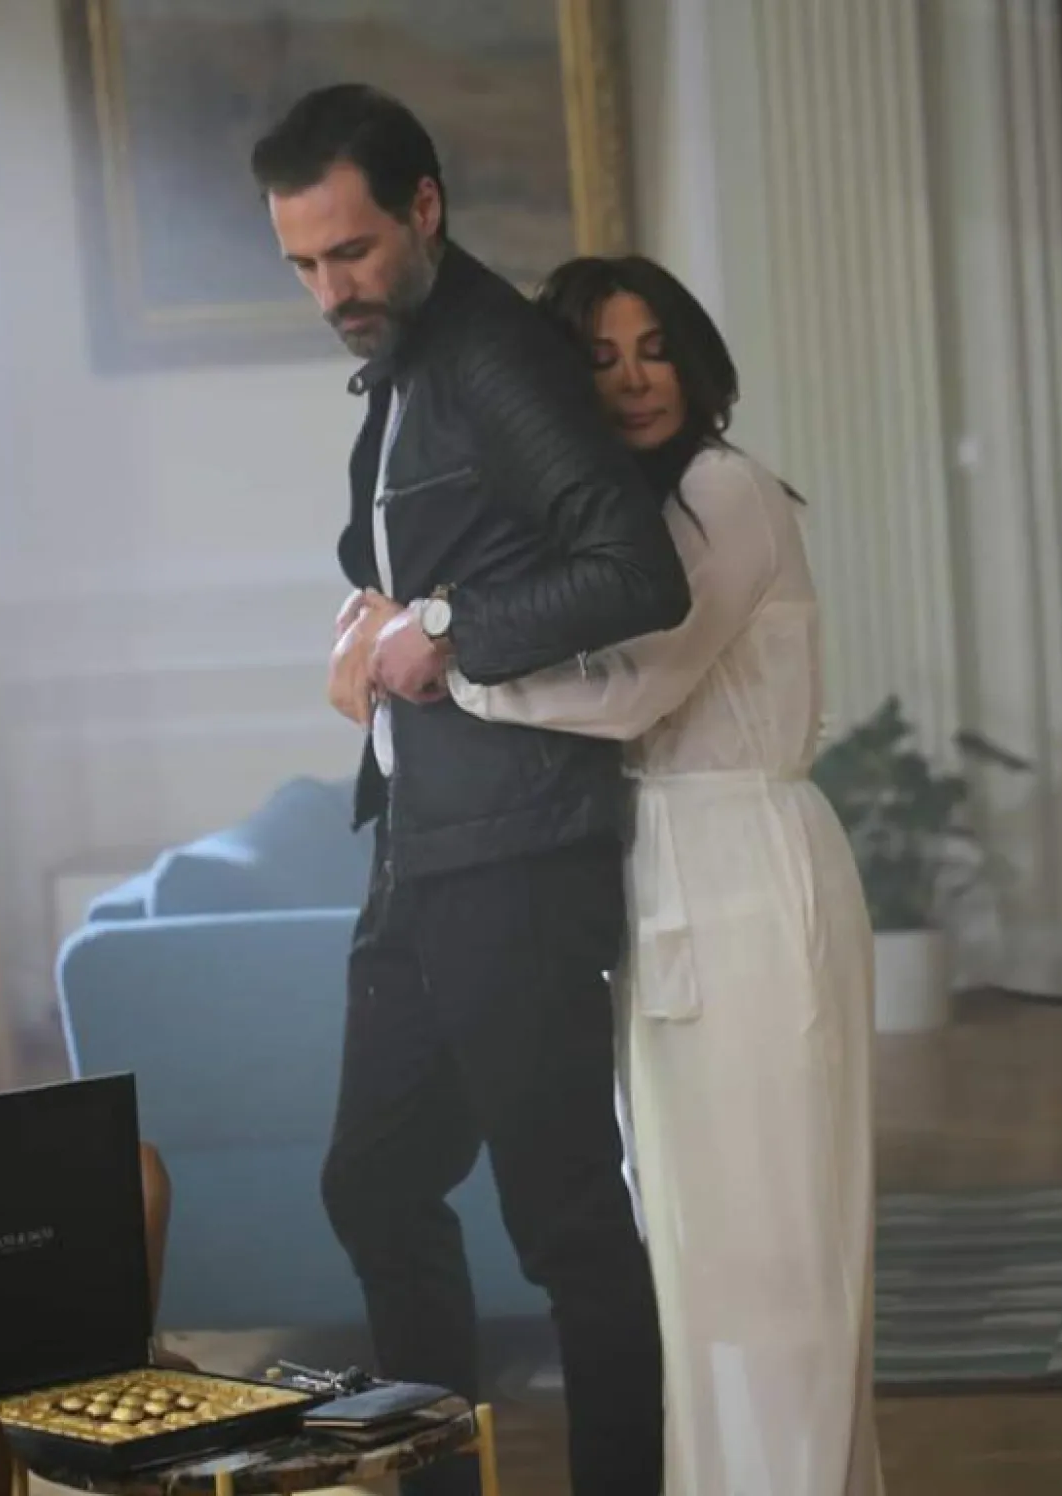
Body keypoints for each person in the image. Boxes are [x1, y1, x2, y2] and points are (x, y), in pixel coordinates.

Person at [250, 88, 691, 1496]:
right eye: (306, 264)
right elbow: (444, 555)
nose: (333, 289)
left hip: (518, 858)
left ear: (426, 207)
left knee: (567, 1228)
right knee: (375, 1181)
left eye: (354, 251)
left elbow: (635, 572)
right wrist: (376, 622)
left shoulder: (495, 354)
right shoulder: (409, 359)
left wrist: (438, 629)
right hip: (426, 847)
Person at [451, 256, 885, 1496]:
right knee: (698, 1250)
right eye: (601, 357)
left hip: (752, 870)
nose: (637, 379)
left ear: (695, 360)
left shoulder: (724, 489)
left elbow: (637, 685)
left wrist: (458, 670)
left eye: (656, 349)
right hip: (669, 876)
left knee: (779, 1245)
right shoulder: (631, 513)